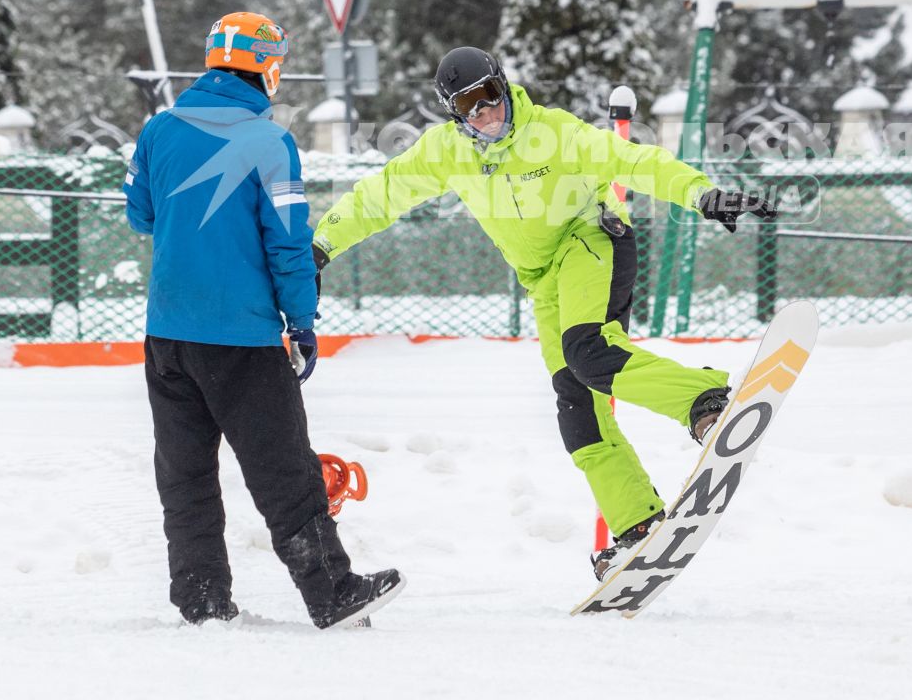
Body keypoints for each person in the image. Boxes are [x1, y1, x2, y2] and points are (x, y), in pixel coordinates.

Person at [311, 47, 776, 579]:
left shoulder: (552, 133)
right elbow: (380, 195)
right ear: (453, 113)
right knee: (577, 409)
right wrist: (321, 246)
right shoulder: (444, 152)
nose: (484, 112)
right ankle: (638, 527)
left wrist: (702, 194)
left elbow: (635, 161)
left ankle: (707, 402)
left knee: (589, 351)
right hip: (542, 279)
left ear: (504, 87)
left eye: (489, 95)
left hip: (592, 239)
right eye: (467, 105)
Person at [125, 11, 402, 628]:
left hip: (167, 334)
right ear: (266, 67)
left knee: (185, 471)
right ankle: (331, 591)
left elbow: (140, 215)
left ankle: (201, 600)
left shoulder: (158, 129)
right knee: (283, 470)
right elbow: (288, 242)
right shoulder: (268, 142)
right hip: (242, 338)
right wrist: (301, 323)